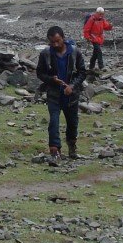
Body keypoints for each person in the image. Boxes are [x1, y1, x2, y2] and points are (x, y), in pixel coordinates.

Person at [35, 25, 87, 163]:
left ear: (63, 38)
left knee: (72, 122)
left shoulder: (75, 52)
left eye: (57, 41)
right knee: (53, 122)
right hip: (54, 94)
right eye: (52, 42)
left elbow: (82, 72)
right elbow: (39, 73)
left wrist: (72, 85)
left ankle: (72, 147)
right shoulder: (45, 54)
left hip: (71, 95)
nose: (55, 44)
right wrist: (51, 79)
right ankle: (55, 151)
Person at [82, 6, 113, 72]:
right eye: (100, 14)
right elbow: (86, 29)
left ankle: (91, 66)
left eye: (102, 14)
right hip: (93, 37)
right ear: (96, 13)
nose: (101, 15)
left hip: (99, 38)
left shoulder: (102, 19)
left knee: (95, 53)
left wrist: (110, 26)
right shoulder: (92, 19)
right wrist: (87, 37)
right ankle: (101, 66)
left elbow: (106, 27)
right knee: (99, 51)